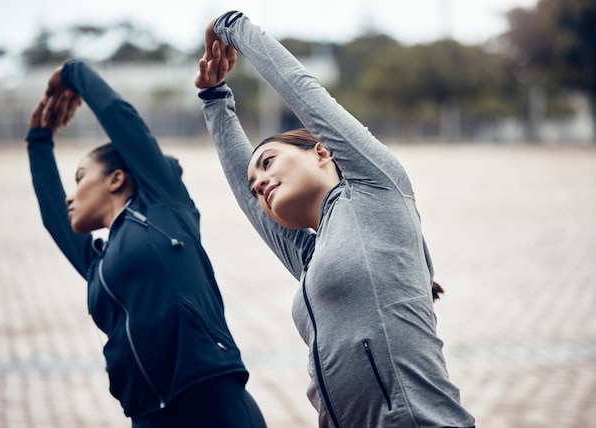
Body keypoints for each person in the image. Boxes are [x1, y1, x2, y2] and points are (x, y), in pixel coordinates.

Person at [195, 11, 476, 428]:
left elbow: (305, 93)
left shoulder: (376, 191)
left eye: (269, 162)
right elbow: (244, 188)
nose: (262, 184)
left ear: (323, 152)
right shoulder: (310, 257)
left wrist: (230, 26)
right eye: (258, 186)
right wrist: (214, 98)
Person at [26, 59, 266, 428]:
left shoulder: (164, 206)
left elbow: (120, 118)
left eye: (80, 178)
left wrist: (70, 74)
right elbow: (54, 219)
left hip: (211, 400)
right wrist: (38, 139)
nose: (70, 197)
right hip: (148, 415)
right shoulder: (98, 266)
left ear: (116, 179)